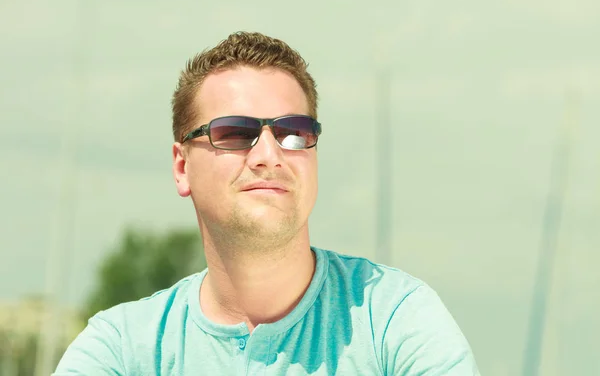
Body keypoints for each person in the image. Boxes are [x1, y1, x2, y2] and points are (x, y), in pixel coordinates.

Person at [54, 31, 480, 375]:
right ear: (182, 167)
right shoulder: (122, 349)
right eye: (235, 132)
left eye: (293, 131)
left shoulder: (394, 318)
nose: (269, 153)